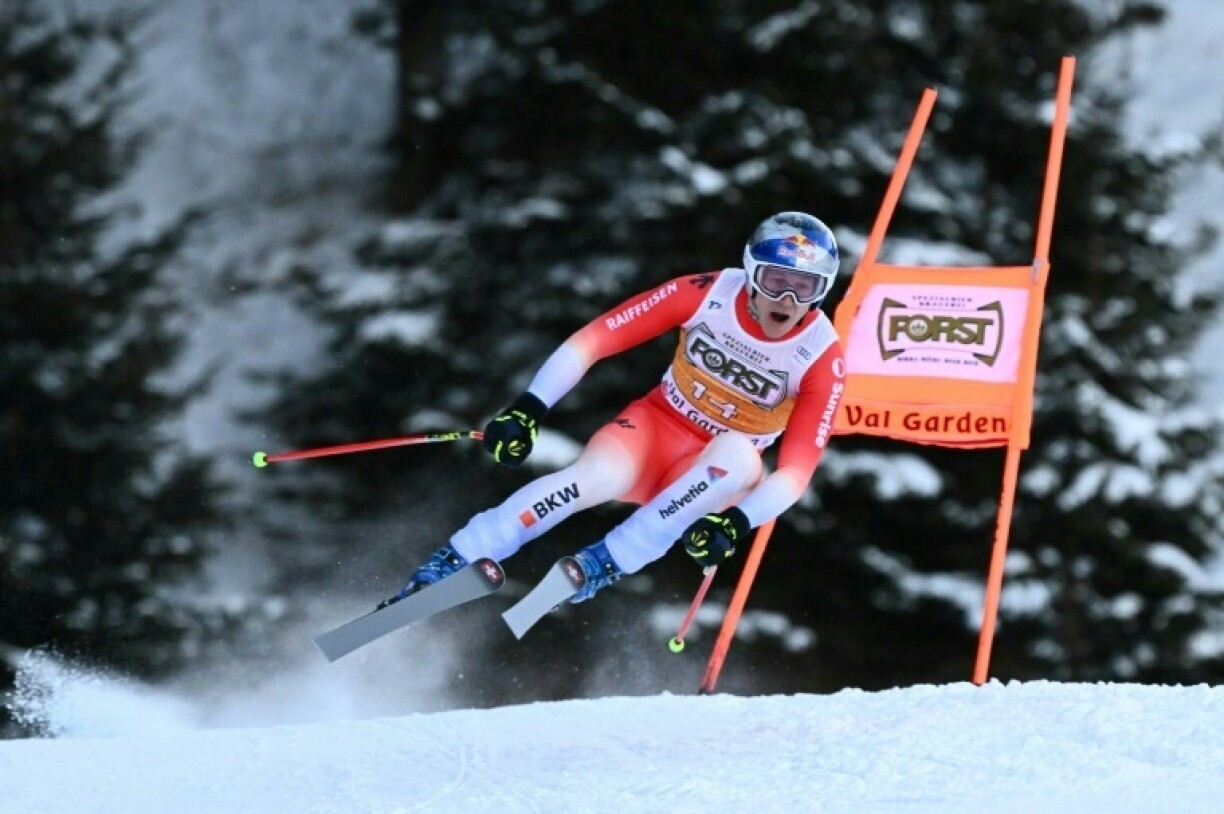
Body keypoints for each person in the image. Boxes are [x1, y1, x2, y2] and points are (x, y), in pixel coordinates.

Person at [380, 211, 846, 609]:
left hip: (706, 476)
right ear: (750, 273)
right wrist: (527, 409)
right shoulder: (707, 293)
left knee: (742, 457)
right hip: (651, 431)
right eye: (775, 281)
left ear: (821, 291)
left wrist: (735, 522)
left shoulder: (821, 355)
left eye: (805, 288)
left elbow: (796, 473)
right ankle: (451, 563)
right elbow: (595, 339)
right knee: (584, 482)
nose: (787, 300)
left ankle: (602, 563)